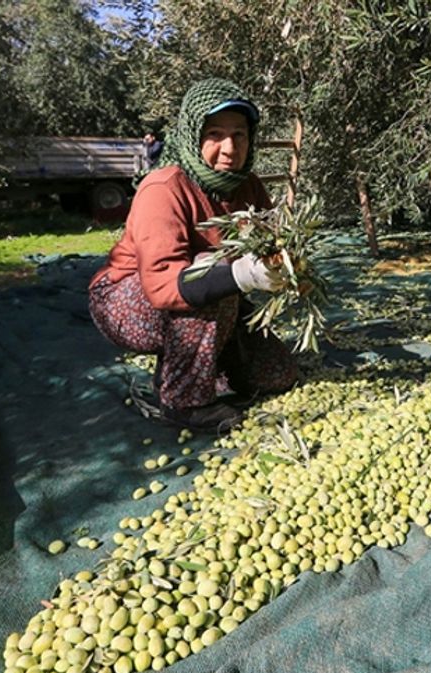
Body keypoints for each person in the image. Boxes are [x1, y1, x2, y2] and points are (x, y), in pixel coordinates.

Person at [89, 78, 299, 433]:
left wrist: (290, 269)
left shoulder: (248, 186)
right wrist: (242, 275)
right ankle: (181, 402)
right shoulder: (164, 188)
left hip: (212, 299)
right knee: (211, 277)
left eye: (240, 135)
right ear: (192, 133)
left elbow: (271, 243)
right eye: (215, 134)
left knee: (276, 375)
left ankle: (201, 364)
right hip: (125, 300)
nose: (230, 148)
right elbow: (162, 286)